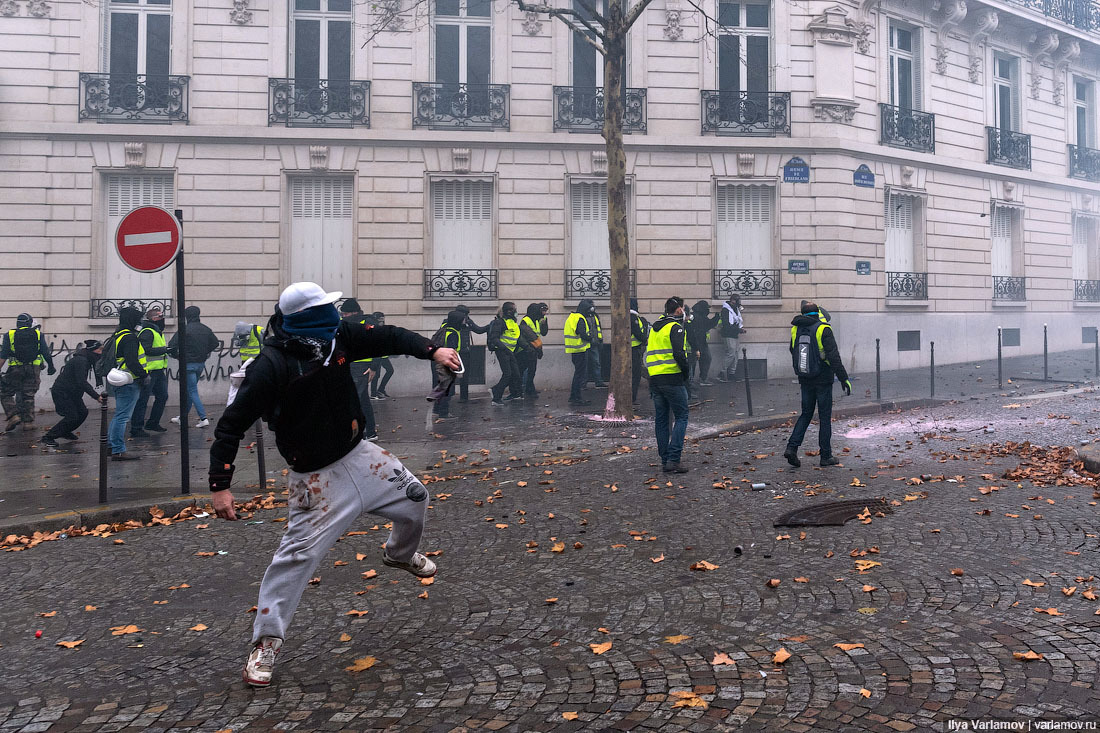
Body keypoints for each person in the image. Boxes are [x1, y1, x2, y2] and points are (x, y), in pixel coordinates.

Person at [207, 282, 460, 688]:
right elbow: (231, 424)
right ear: (306, 319)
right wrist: (220, 484)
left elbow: (389, 336)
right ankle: (265, 643)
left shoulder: (338, 335)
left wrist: (433, 350)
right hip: (314, 477)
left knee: (415, 498)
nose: (336, 314)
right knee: (294, 560)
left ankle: (399, 554)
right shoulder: (271, 365)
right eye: (326, 308)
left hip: (360, 455)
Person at [783, 301, 851, 468]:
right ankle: (825, 456)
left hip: (805, 378)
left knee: (805, 414)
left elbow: (793, 351)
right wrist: (844, 378)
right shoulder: (823, 329)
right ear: (818, 313)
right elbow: (834, 357)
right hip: (823, 379)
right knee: (824, 417)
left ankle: (791, 448)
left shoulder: (795, 328)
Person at [647, 297, 690, 473]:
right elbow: (679, 354)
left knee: (662, 420)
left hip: (655, 379)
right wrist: (686, 374)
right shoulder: (676, 328)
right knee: (681, 416)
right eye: (683, 307)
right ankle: (674, 458)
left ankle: (665, 460)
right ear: (679, 310)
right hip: (672, 378)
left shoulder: (654, 328)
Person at [42, 339, 106, 448]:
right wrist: (96, 397)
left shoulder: (85, 359)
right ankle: (49, 437)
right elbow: (81, 382)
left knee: (83, 412)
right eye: (100, 350)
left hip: (72, 393)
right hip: (63, 392)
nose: (101, 353)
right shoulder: (81, 361)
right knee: (72, 416)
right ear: (93, 351)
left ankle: (65, 431)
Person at [0, 313, 56, 432]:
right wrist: (51, 366)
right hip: (33, 369)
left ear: (17, 323)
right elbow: (45, 352)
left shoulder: (9, 335)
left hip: (15, 369)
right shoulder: (38, 334)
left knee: (5, 392)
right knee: (28, 395)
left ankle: (13, 416)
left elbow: (3, 355)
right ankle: (28, 423)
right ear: (30, 323)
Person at [168, 305, 220, 429]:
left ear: (187, 316)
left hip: (187, 365)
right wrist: (205, 352)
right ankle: (182, 417)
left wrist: (178, 356)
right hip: (200, 364)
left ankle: (203, 418)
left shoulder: (184, 329)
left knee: (192, 391)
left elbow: (171, 346)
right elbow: (215, 343)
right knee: (189, 391)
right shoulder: (205, 329)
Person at [107, 307, 148, 460]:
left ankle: (111, 447)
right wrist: (144, 375)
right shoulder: (130, 337)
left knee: (118, 415)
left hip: (121, 381)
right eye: (138, 319)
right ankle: (118, 450)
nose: (140, 322)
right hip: (129, 381)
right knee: (122, 417)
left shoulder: (119, 334)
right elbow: (132, 361)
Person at [338, 299, 378, 440]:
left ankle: (360, 432)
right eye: (342, 313)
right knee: (362, 400)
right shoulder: (345, 324)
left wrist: (374, 367)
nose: (344, 315)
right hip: (351, 365)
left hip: (362, 367)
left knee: (356, 400)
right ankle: (370, 431)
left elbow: (377, 345)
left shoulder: (367, 323)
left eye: (346, 313)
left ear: (355, 312)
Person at [131, 307, 169, 437]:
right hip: (149, 371)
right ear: (154, 319)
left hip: (158, 370)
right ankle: (136, 427)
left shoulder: (157, 331)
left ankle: (153, 423)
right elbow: (146, 350)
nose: (163, 320)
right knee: (143, 399)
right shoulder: (148, 331)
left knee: (163, 396)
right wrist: (165, 350)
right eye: (160, 317)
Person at [487, 301, 524, 406]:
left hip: (510, 352)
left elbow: (517, 338)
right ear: (508, 311)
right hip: (502, 351)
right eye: (514, 309)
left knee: (515, 373)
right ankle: (496, 398)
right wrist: (505, 349)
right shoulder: (500, 322)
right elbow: (494, 338)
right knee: (507, 374)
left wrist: (528, 347)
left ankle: (498, 390)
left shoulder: (513, 322)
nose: (516, 311)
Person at [432, 310, 465, 419]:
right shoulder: (453, 333)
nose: (464, 322)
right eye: (462, 320)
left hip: (437, 361)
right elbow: (452, 351)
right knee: (448, 389)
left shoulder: (444, 328)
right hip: (446, 364)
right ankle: (444, 413)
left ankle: (436, 410)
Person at [452, 304, 489, 403]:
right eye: (465, 315)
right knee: (451, 375)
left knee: (465, 375)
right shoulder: (450, 322)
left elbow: (479, 330)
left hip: (465, 352)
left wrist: (491, 325)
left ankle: (464, 397)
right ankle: (446, 398)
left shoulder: (468, 322)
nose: (466, 317)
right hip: (455, 353)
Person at [564, 299, 594, 406]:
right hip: (580, 350)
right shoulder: (580, 319)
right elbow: (583, 334)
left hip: (574, 350)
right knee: (579, 375)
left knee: (577, 374)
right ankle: (576, 397)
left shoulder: (572, 317)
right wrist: (590, 338)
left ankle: (574, 396)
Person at [517, 302, 547, 399]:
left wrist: (544, 324)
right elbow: (530, 336)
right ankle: (524, 389)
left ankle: (529, 389)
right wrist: (538, 349)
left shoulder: (537, 320)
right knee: (525, 370)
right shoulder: (526, 320)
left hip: (533, 349)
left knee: (531, 370)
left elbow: (543, 333)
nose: (543, 313)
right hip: (525, 350)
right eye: (541, 311)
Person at [687, 300, 719, 390]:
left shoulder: (700, 316)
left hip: (701, 342)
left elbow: (707, 325)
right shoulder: (694, 316)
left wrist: (716, 318)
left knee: (706, 359)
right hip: (695, 343)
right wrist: (716, 318)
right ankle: (692, 381)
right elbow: (706, 325)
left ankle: (701, 379)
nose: (707, 310)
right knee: (693, 362)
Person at [717, 294, 745, 382]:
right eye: (737, 300)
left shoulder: (735, 309)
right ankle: (722, 373)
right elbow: (727, 325)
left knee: (735, 354)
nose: (738, 302)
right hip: (728, 334)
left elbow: (737, 321)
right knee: (731, 353)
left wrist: (739, 329)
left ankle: (731, 374)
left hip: (734, 334)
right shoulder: (726, 310)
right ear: (732, 300)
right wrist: (739, 330)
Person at [368, 312, 395, 400]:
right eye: (380, 320)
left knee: (390, 370)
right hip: (377, 355)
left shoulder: (381, 327)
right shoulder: (373, 326)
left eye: (383, 320)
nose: (382, 322)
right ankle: (373, 393)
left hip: (383, 355)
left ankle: (380, 389)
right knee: (376, 374)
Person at [629, 298, 649, 406]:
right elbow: (637, 332)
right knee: (635, 375)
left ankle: (632, 398)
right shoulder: (633, 318)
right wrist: (644, 339)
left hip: (632, 349)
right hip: (634, 349)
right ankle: (632, 399)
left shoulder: (630, 317)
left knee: (635, 374)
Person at [585, 305, 605, 388]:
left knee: (596, 363)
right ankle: (583, 383)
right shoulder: (583, 316)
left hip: (595, 343)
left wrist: (600, 340)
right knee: (585, 364)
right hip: (585, 343)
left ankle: (599, 382)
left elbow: (598, 328)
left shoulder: (595, 316)